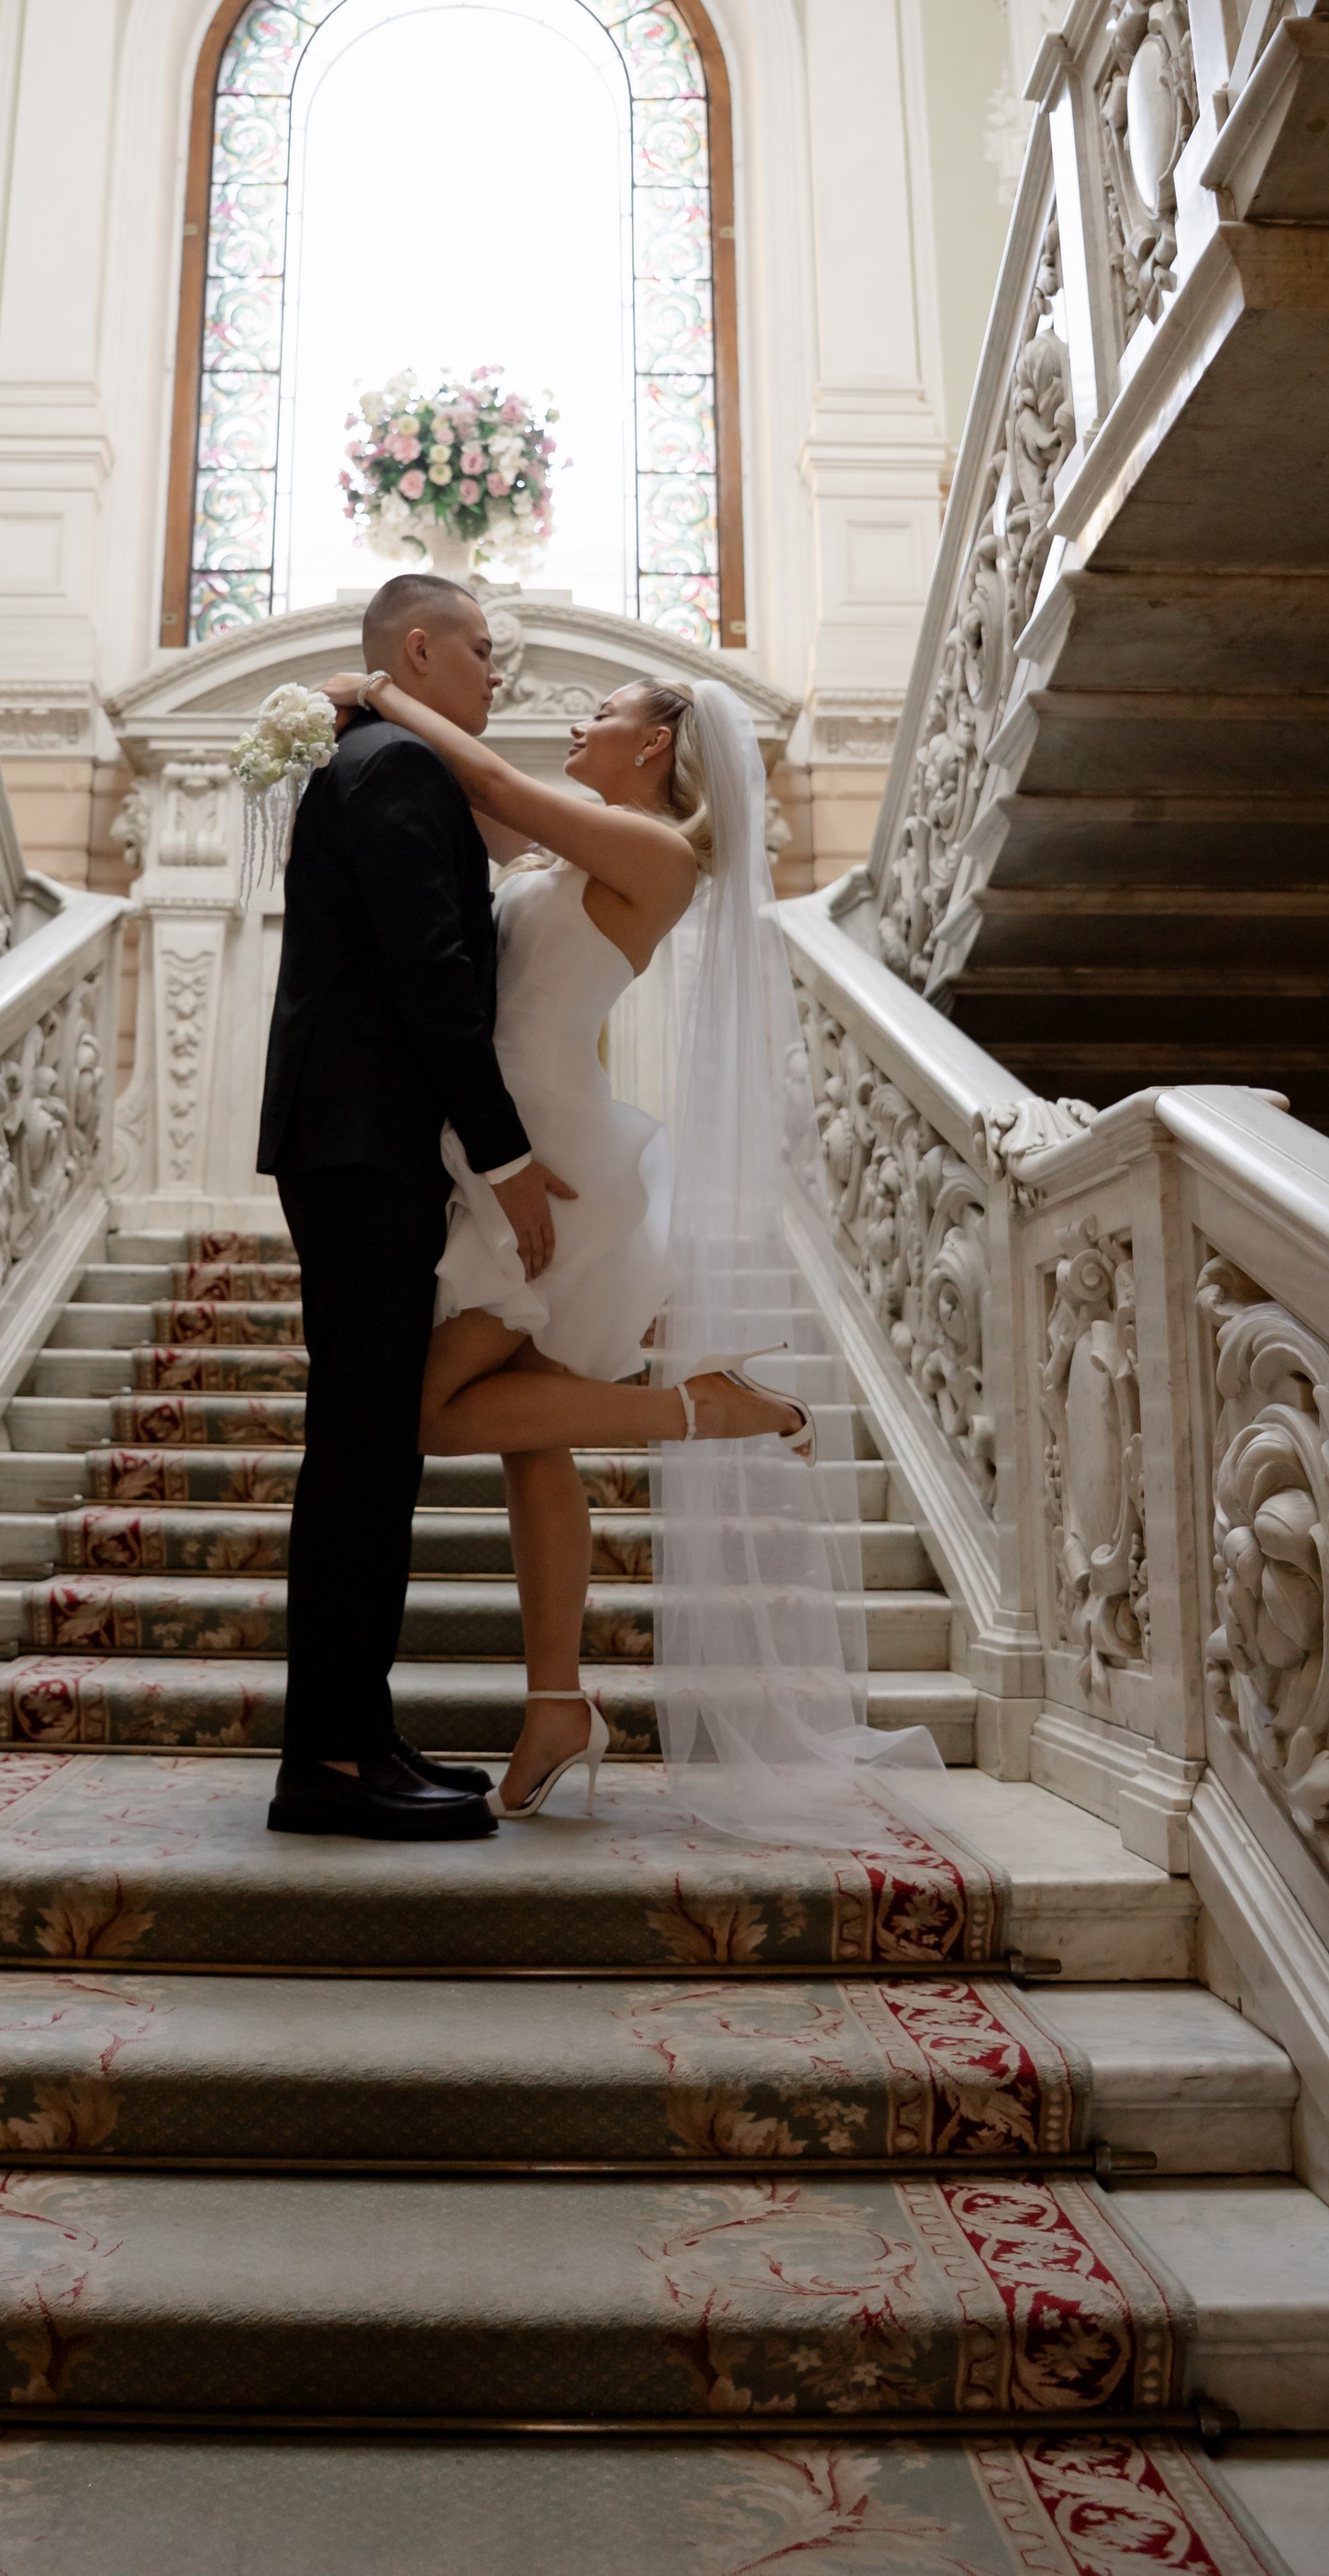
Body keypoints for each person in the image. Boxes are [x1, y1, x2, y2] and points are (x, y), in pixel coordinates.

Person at [318, 655, 825, 1823]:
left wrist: (383, 692)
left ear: (654, 745)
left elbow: (486, 770)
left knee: (428, 1413)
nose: (577, 724)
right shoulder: (588, 841)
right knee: (528, 1443)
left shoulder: (655, 853)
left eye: (602, 713)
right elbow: (474, 811)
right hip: (505, 1139)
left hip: (545, 1159)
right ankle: (557, 1702)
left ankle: (708, 1409)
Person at [256, 572, 574, 1841]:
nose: (501, 677)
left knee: (372, 1450)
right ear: (424, 648)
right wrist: (504, 1156)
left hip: (366, 1146)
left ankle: (355, 1732)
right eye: (487, 653)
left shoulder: (392, 754)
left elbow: (493, 858)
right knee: (358, 1453)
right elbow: (429, 971)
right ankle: (329, 1762)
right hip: (361, 1146)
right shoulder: (391, 768)